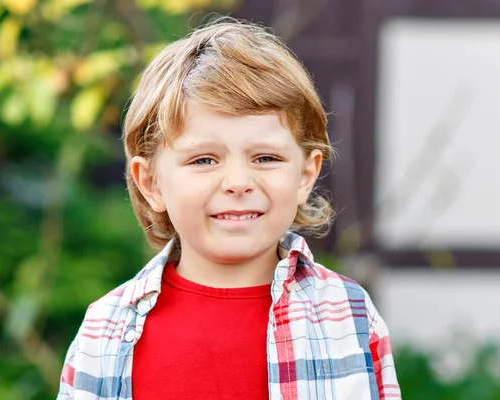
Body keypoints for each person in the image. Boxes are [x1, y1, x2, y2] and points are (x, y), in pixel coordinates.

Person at [57, 17, 400, 400]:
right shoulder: (105, 330)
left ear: (305, 176)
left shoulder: (348, 317)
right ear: (151, 182)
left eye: (266, 157)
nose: (238, 181)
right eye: (204, 160)